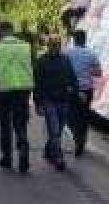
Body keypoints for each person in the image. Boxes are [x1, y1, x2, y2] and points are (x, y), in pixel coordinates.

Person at [0, 21, 35, 173]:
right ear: (12, 30)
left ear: (2, 31)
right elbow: (33, 65)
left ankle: (7, 158)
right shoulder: (26, 46)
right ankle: (24, 156)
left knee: (5, 125)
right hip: (23, 89)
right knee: (20, 124)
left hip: (4, 90)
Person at [33, 35, 78, 170]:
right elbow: (37, 83)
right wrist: (38, 103)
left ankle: (49, 149)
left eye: (57, 45)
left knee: (59, 130)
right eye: (53, 45)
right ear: (48, 46)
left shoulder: (65, 59)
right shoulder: (41, 61)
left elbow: (72, 77)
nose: (55, 47)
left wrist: (75, 90)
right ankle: (58, 157)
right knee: (54, 129)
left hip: (63, 99)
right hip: (48, 99)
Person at [64, 29, 103, 157]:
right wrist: (87, 70)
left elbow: (62, 70)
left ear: (74, 40)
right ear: (84, 40)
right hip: (86, 90)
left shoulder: (66, 53)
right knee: (83, 116)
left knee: (70, 115)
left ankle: (75, 137)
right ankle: (81, 141)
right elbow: (98, 73)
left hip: (70, 89)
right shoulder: (92, 54)